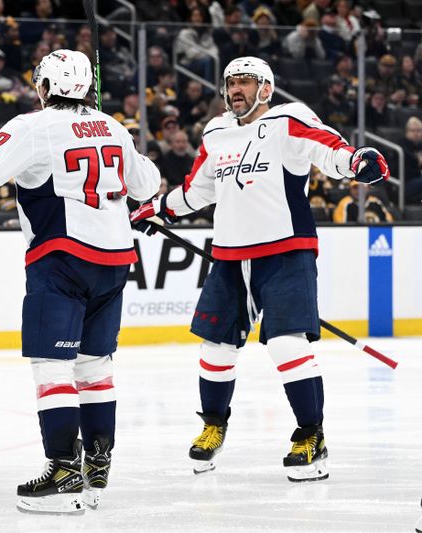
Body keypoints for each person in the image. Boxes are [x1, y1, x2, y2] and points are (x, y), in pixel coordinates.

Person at [130, 56, 389, 482]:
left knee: (287, 345)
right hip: (231, 256)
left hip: (287, 252)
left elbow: (329, 148)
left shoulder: (289, 120)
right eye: (231, 82)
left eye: (245, 82)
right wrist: (159, 210)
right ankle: (213, 425)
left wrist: (357, 159)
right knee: (214, 350)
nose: (235, 90)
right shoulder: (216, 131)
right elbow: (199, 189)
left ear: (266, 89)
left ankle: (311, 436)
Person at [0, 49, 161, 513]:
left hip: (62, 256)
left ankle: (62, 468)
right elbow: (148, 183)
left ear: (45, 86)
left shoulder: (32, 126)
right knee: (95, 365)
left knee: (52, 365)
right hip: (116, 259)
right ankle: (97, 463)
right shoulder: (114, 125)